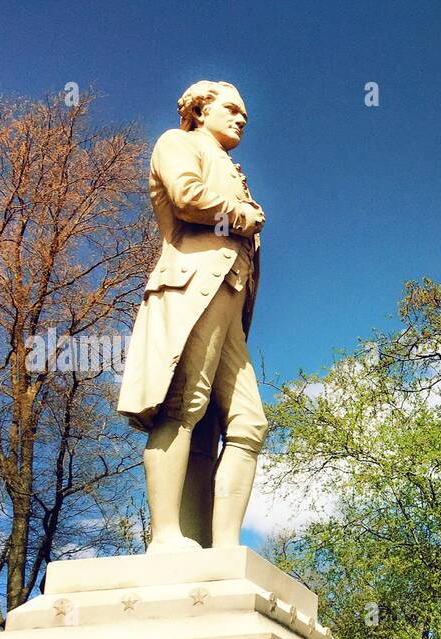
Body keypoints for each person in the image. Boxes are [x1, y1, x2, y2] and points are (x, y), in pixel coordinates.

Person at [117, 80, 269, 553]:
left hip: (229, 299)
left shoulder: (233, 167)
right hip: (191, 289)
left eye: (245, 113)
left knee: (249, 424)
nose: (241, 118)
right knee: (184, 404)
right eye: (231, 109)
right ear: (201, 111)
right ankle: (166, 537)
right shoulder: (177, 141)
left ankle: (222, 551)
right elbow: (186, 196)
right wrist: (242, 215)